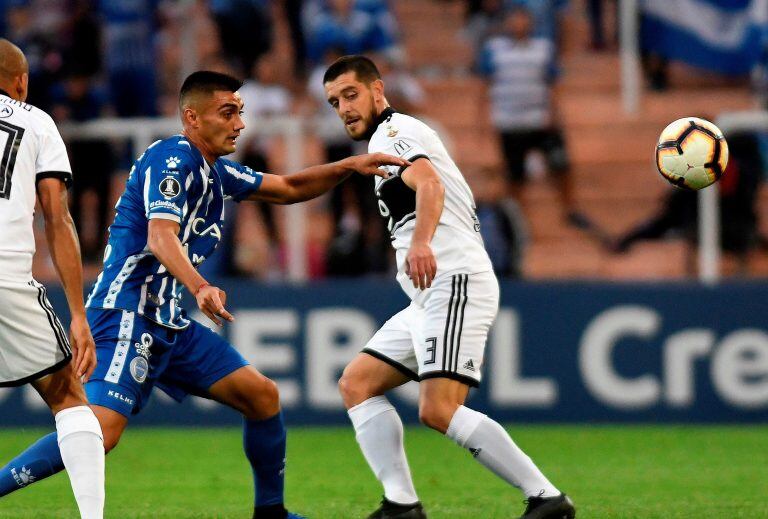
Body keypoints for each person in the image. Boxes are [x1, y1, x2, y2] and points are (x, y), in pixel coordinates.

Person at [0, 69, 408, 518]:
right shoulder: (172, 159)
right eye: (227, 112)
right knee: (98, 430)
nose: (239, 123)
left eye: (240, 112)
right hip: (126, 315)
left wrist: (349, 166)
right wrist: (200, 286)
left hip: (168, 323)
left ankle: (270, 512)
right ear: (192, 118)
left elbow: (288, 187)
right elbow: (160, 236)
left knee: (262, 396)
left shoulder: (216, 172)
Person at [323, 55, 575, 519]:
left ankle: (547, 499)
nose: (344, 108)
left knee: (438, 409)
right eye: (335, 101)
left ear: (378, 90)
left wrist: (420, 242)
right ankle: (402, 506)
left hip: (452, 278)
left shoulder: (396, 133)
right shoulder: (386, 138)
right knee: (357, 383)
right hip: (428, 291)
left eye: (351, 94)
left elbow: (430, 184)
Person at [0, 39, 105, 519]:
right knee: (67, 394)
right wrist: (78, 313)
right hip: (5, 274)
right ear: (21, 82)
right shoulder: (35, 120)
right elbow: (56, 218)